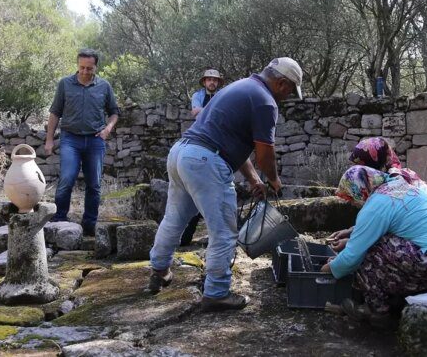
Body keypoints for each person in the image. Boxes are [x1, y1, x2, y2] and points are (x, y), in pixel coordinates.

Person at [146, 57, 303, 312]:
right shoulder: (265, 102)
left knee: (174, 218)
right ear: (282, 83)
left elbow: (230, 143)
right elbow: (264, 154)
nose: (288, 97)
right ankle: (217, 292)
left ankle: (159, 270)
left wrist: (254, 180)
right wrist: (274, 180)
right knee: (224, 232)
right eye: (289, 91)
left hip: (181, 153)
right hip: (204, 160)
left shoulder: (239, 87)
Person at [321, 165, 427, 327]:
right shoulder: (397, 187)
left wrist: (329, 268)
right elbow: (393, 218)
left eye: (351, 198)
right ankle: (397, 298)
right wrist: (352, 233)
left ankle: (377, 311)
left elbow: (351, 257)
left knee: (369, 251)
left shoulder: (375, 205)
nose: (353, 203)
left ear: (359, 190)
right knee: (382, 243)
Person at [329, 137, 427, 252]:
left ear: (371, 164)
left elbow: (391, 221)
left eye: (360, 165)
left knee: (380, 249)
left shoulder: (396, 181)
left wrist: (352, 241)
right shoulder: (393, 177)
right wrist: (352, 231)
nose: (357, 169)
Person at [45, 49, 120, 236]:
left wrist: (107, 129)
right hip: (70, 139)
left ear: (96, 67)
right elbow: (55, 112)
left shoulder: (104, 86)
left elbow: (114, 112)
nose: (85, 71)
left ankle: (89, 225)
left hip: (95, 140)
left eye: (89, 68)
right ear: (77, 65)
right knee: (67, 179)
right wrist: (49, 140)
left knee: (94, 184)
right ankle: (60, 220)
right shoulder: (65, 84)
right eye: (82, 67)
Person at [181, 69, 225, 246]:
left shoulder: (223, 94)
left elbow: (219, 114)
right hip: (200, 144)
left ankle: (217, 237)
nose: (212, 82)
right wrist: (214, 109)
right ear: (205, 81)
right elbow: (196, 113)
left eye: (215, 80)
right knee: (196, 191)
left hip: (218, 144)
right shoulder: (197, 95)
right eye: (209, 79)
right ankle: (186, 237)